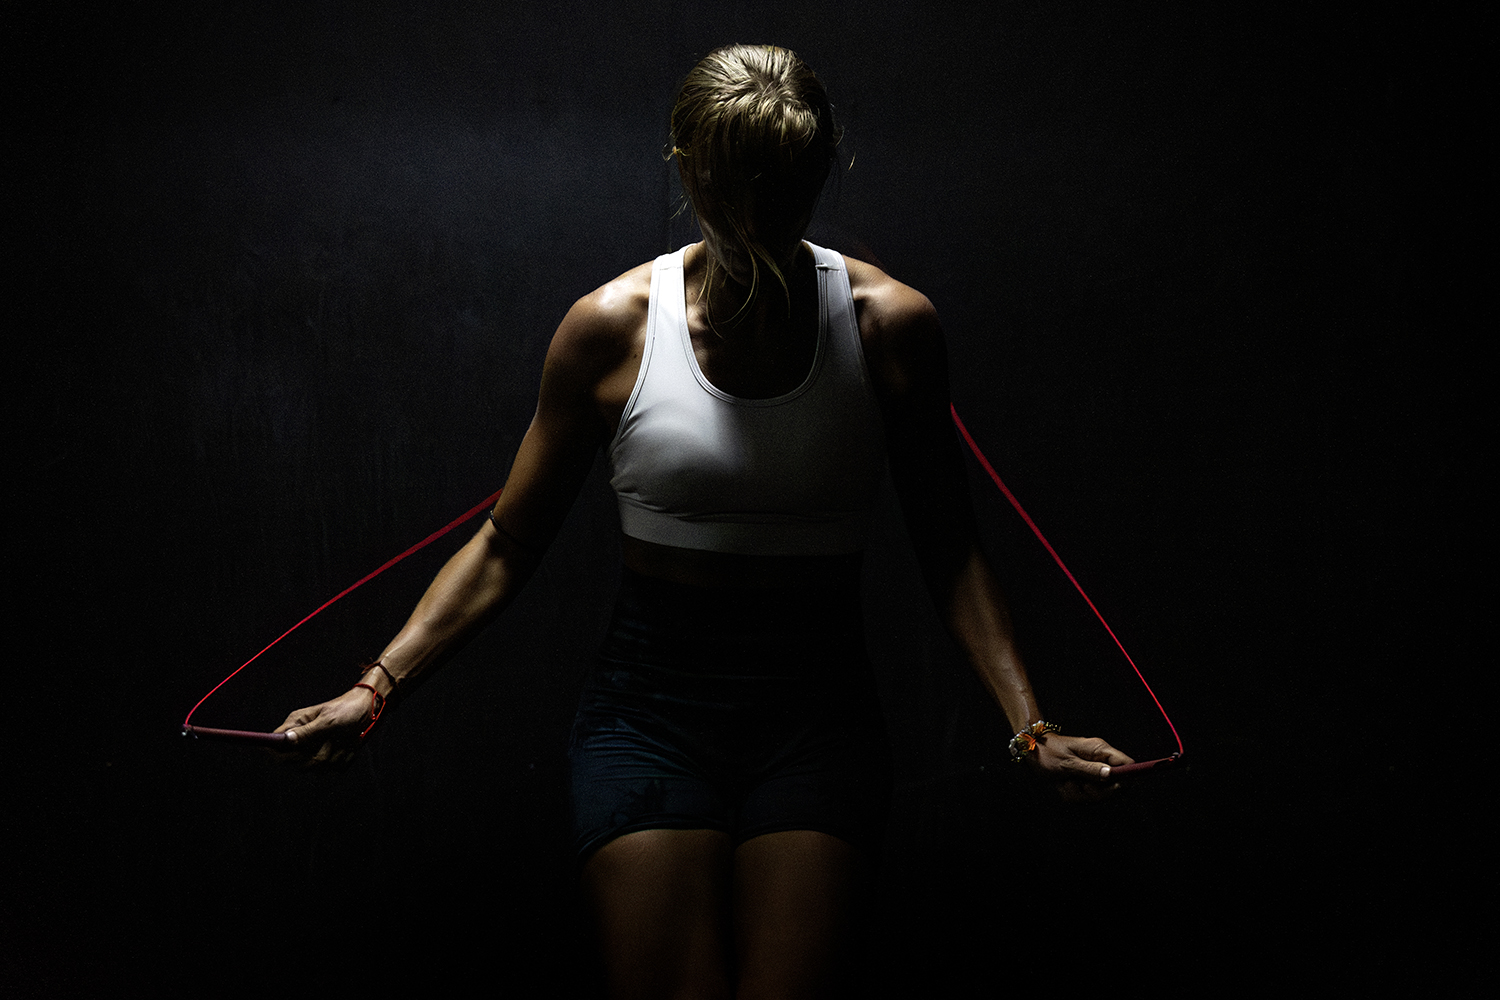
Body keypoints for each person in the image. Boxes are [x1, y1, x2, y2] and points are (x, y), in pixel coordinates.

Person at [275, 43, 1132, 1000]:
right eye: (743, 189)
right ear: (690, 170)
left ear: (820, 170)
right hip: (650, 717)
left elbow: (952, 549)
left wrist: (1031, 727)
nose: (765, 216)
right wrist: (375, 687)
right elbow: (508, 544)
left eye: (788, 188)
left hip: (817, 714)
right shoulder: (612, 328)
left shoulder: (892, 327)